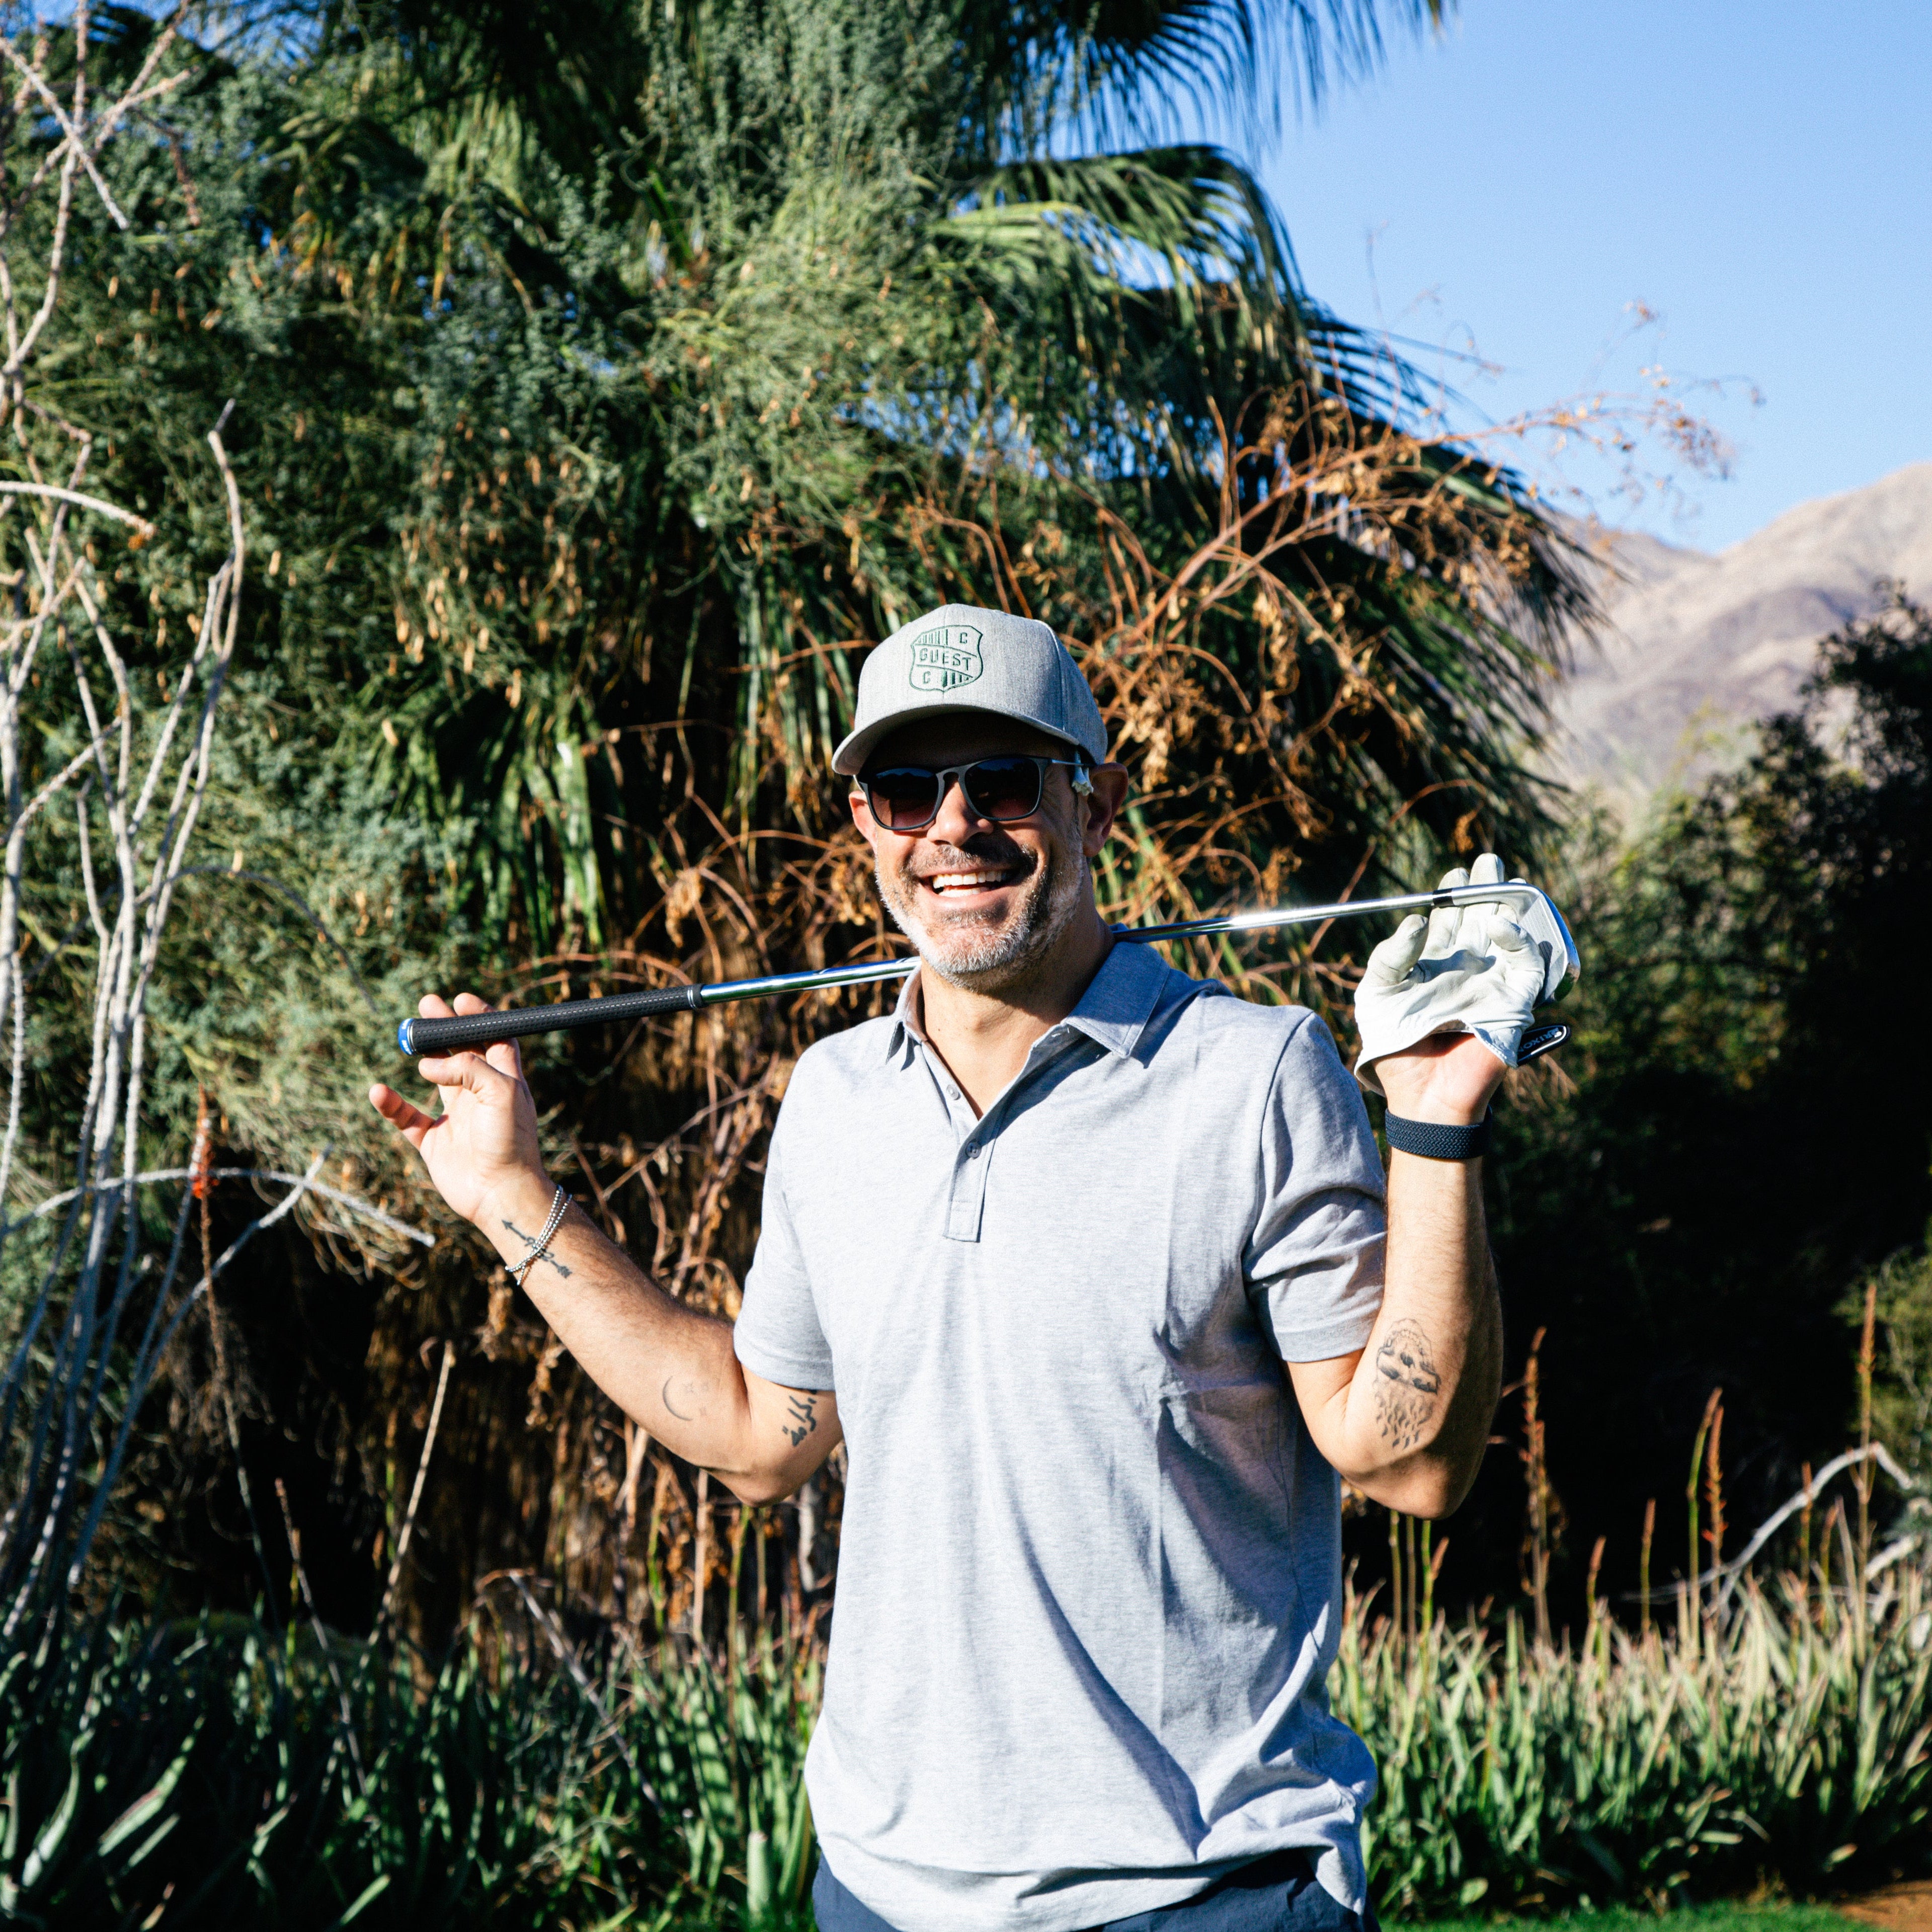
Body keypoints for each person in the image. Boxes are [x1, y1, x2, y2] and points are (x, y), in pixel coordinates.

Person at [369, 603, 1543, 1932]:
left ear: (1094, 804)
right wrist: (513, 1196)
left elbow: (1414, 1465)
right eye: (908, 787)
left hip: (1204, 1894)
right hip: (881, 1891)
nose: (955, 827)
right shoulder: (834, 1100)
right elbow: (761, 1436)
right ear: (866, 820)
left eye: (1002, 780)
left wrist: (1436, 1127)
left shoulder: (1258, 1077)